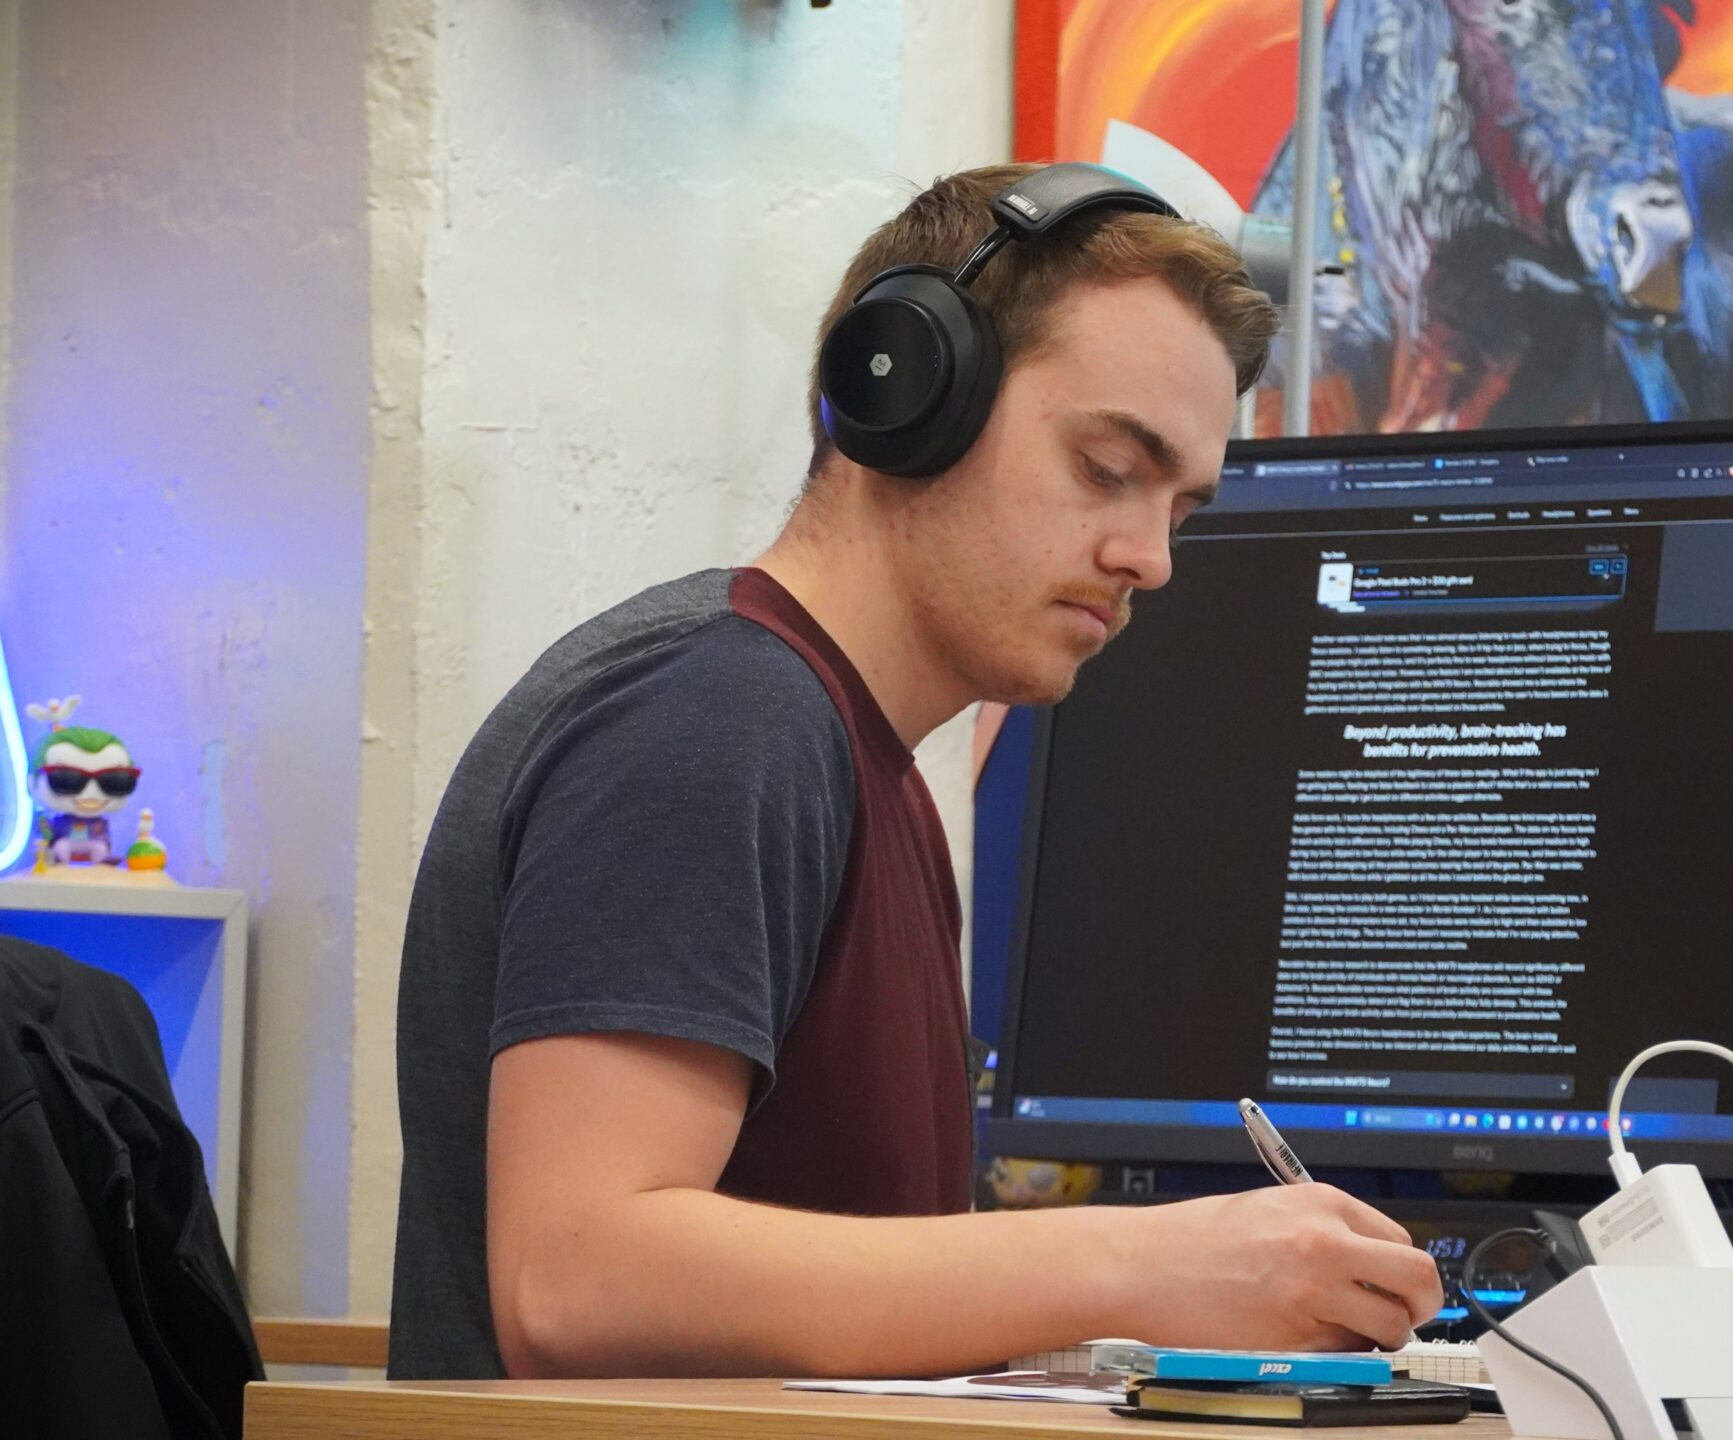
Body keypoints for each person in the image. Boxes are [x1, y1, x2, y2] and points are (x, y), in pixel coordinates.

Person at [388, 164, 1445, 1381]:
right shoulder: (717, 716)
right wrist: (1138, 1265)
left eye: (1182, 510)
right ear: (906, 390)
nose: (1149, 558)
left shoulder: (864, 769)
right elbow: (575, 1280)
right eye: (1108, 468)